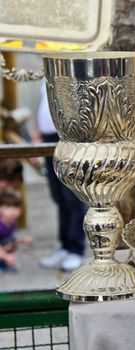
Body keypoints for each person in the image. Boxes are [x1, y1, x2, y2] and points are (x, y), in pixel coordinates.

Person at [36, 82, 86, 272]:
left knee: (71, 196)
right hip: (47, 138)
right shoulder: (45, 74)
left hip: (66, 136)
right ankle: (65, 245)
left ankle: (76, 248)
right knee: (58, 196)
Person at [0, 191, 32, 271]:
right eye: (7, 207)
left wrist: (23, 240)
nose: (12, 211)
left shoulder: (13, 222)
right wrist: (6, 256)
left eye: (16, 207)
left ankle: (3, 263)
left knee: (11, 242)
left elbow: (10, 239)